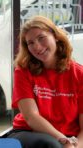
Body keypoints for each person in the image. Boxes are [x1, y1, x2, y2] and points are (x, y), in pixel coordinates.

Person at [7, 16, 83, 148]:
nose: (36, 46)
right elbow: (31, 117)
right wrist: (64, 140)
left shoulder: (79, 74)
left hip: (70, 137)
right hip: (29, 132)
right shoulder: (23, 72)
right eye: (30, 43)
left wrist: (76, 146)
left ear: (55, 36)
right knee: (51, 144)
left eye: (41, 38)